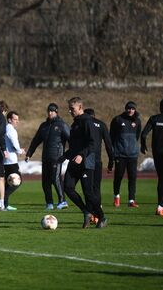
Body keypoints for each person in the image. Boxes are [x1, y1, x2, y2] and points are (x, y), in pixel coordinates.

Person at [60, 97, 106, 228]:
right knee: (68, 188)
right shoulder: (75, 124)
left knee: (88, 193)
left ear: (80, 107)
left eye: (72, 109)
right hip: (74, 162)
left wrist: (81, 154)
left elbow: (93, 143)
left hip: (86, 162)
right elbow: (74, 146)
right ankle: (86, 211)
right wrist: (64, 156)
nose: (70, 111)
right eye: (69, 109)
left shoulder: (88, 122)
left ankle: (101, 217)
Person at [26, 103, 70, 210]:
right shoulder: (44, 126)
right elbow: (36, 140)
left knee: (56, 179)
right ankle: (49, 203)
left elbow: (71, 140)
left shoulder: (62, 125)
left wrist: (67, 155)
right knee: (45, 181)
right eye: (48, 111)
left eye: (52, 111)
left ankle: (62, 201)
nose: (50, 113)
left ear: (56, 112)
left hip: (57, 157)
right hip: (45, 158)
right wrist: (29, 153)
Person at [110, 101, 142, 208]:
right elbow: (112, 137)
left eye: (133, 109)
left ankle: (131, 200)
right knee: (118, 177)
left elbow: (137, 136)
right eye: (129, 108)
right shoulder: (118, 120)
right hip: (120, 154)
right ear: (125, 109)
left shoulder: (137, 121)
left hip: (132, 155)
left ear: (135, 110)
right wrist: (114, 151)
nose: (131, 111)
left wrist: (132, 147)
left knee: (132, 177)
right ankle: (116, 197)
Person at [83, 108, 114, 212]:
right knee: (96, 188)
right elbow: (108, 145)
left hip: (86, 160)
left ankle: (91, 212)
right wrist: (111, 162)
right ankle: (98, 210)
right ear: (94, 115)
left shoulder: (84, 124)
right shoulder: (102, 125)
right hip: (97, 160)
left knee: (88, 188)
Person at [3, 111, 25, 211]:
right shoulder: (11, 130)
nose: (17, 121)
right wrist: (20, 151)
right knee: (18, 181)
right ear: (9, 120)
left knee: (8, 182)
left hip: (5, 160)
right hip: (11, 160)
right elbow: (15, 144)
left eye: (17, 119)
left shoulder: (4, 128)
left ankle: (4, 203)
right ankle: (3, 200)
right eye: (15, 119)